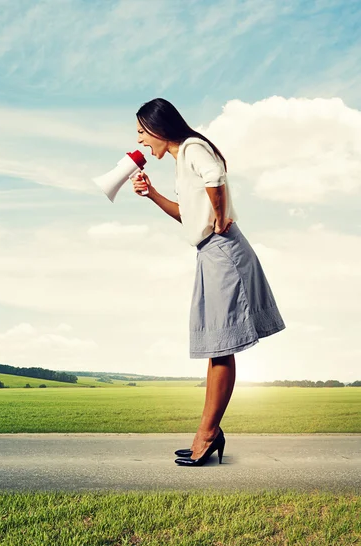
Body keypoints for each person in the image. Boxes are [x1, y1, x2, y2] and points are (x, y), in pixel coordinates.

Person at [131, 98, 285, 467]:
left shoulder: (192, 148)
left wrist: (219, 218)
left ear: (158, 128)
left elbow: (215, 178)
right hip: (210, 252)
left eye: (141, 132)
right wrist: (152, 194)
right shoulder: (182, 159)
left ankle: (207, 434)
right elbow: (187, 215)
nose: (139, 141)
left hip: (222, 250)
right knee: (218, 345)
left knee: (221, 345)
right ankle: (208, 432)